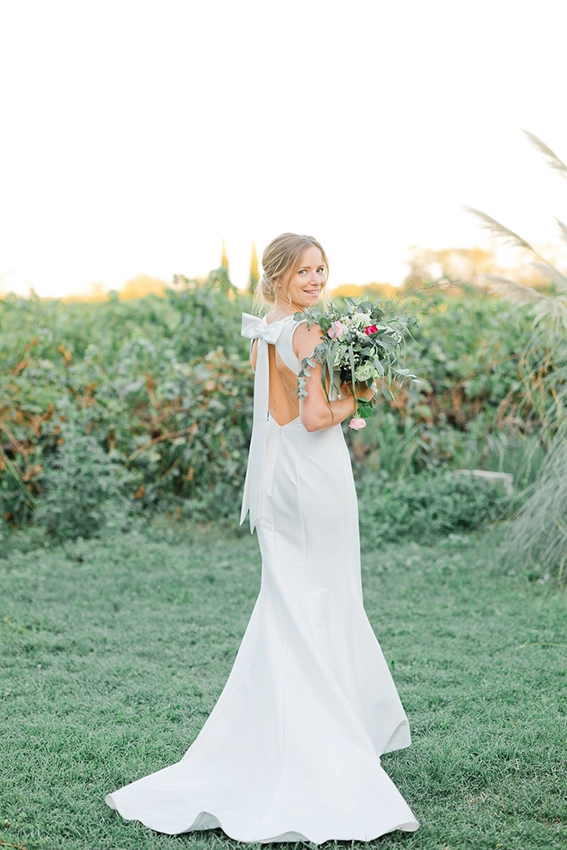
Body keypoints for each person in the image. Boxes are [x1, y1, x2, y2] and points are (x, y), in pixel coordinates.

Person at [105, 233, 418, 843]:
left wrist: (348, 375)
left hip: (284, 481)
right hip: (312, 480)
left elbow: (279, 408)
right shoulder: (303, 332)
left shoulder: (269, 328)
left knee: (294, 602)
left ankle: (295, 732)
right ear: (278, 275)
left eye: (321, 269)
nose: (316, 279)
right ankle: (322, 742)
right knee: (321, 598)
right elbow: (315, 416)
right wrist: (364, 387)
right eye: (304, 271)